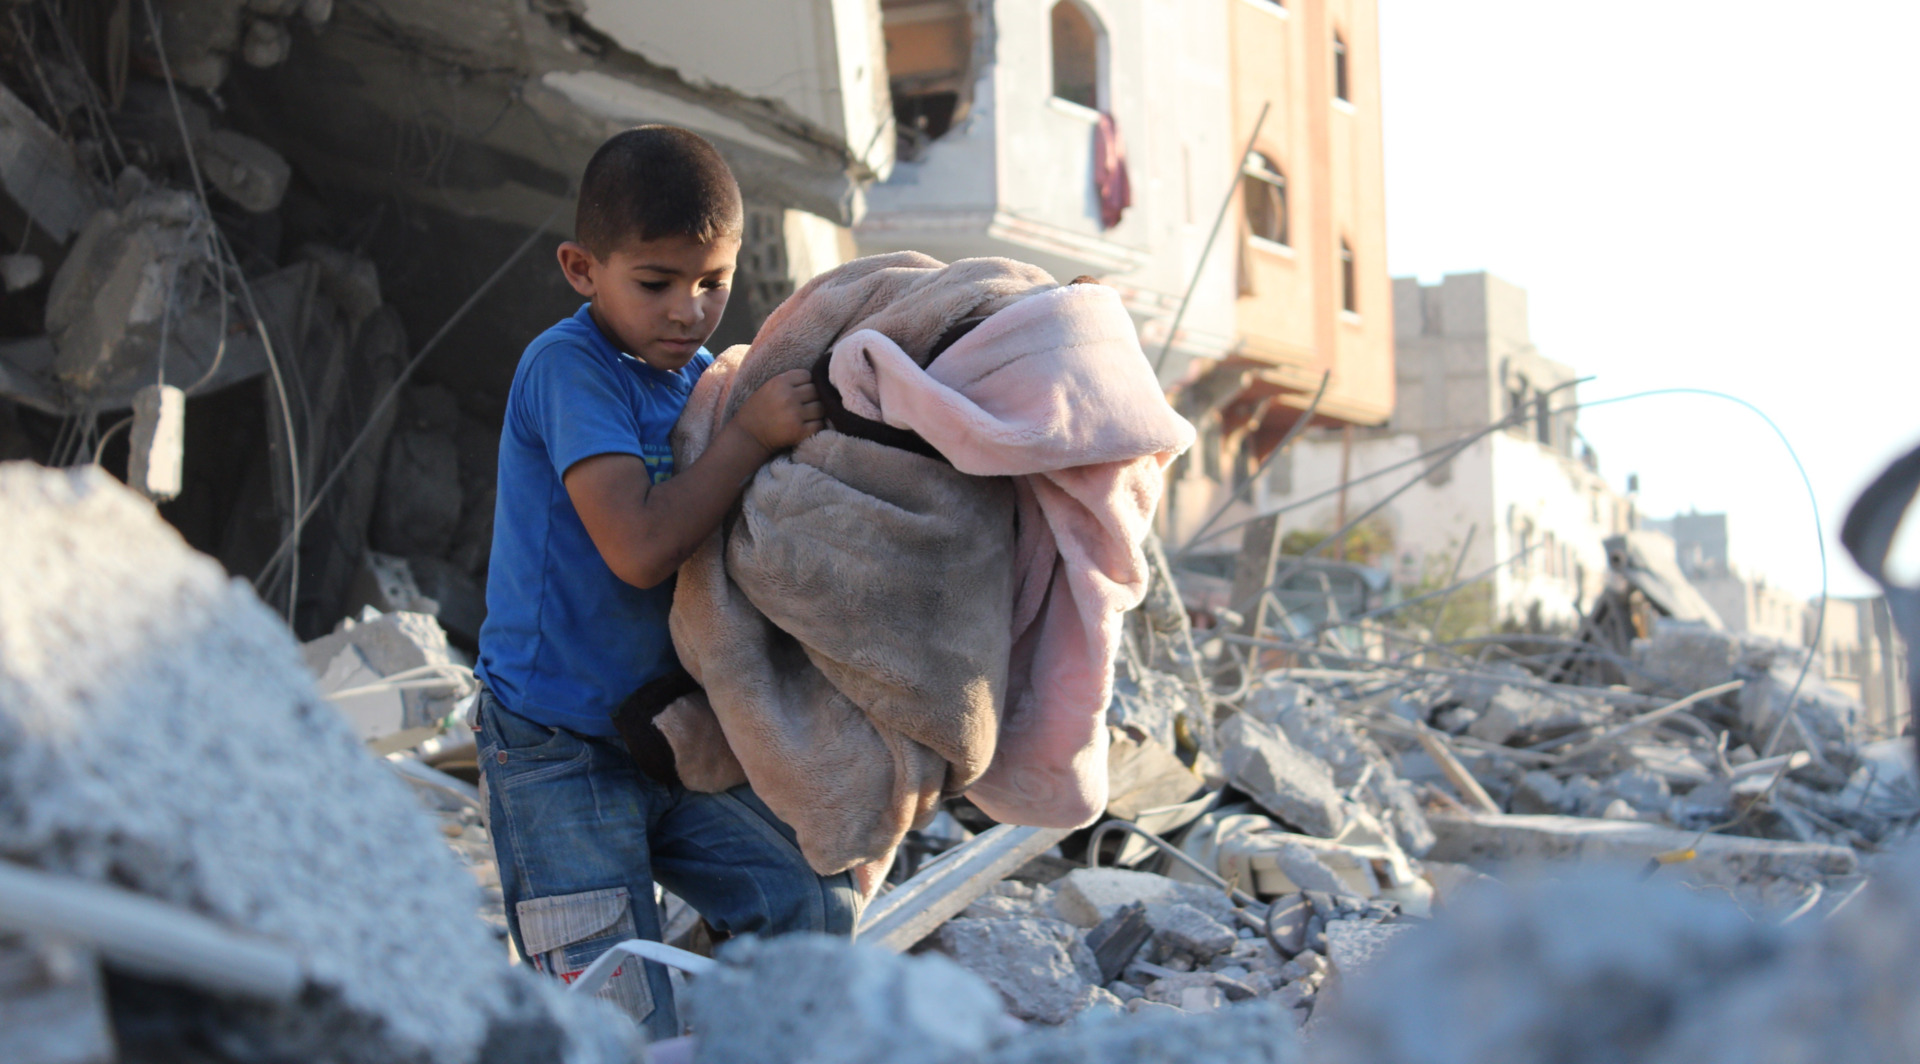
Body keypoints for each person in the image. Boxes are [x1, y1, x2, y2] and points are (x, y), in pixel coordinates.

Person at [471, 125, 853, 1041]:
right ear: (580, 268)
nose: (687, 309)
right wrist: (750, 438)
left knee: (812, 910)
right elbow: (639, 548)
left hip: (668, 733)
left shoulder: (698, 382)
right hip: (555, 747)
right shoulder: (569, 369)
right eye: (656, 283)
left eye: (711, 282)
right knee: (613, 1008)